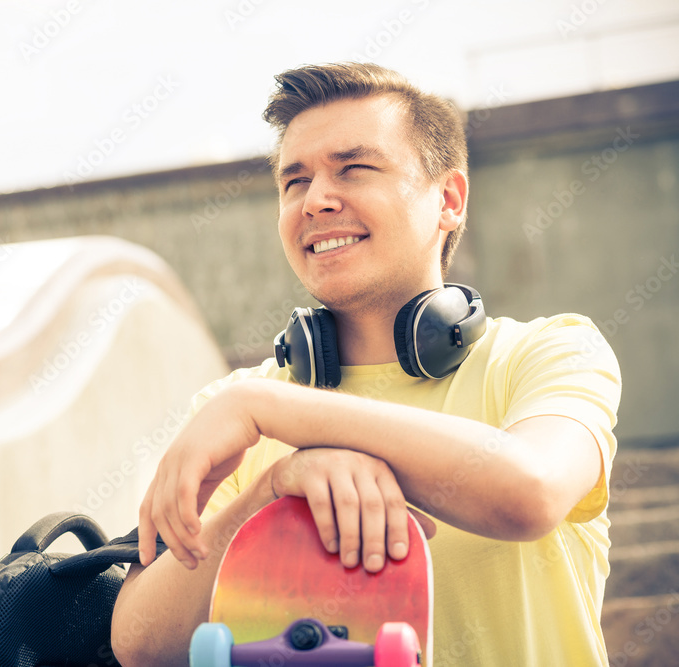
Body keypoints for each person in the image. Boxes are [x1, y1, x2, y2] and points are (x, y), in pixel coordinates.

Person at [110, 62, 621, 666]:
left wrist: (270, 410)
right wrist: (273, 490)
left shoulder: (549, 352)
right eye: (294, 182)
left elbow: (530, 490)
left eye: (354, 168)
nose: (317, 200)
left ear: (449, 200)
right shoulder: (232, 410)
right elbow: (139, 643)